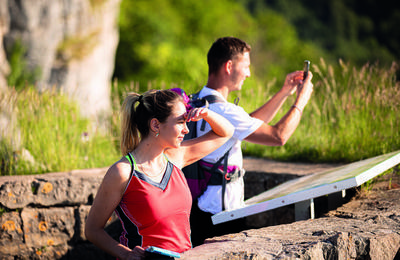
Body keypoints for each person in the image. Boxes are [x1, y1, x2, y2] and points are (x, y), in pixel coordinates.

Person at [190, 36, 314, 246]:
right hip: (221, 215)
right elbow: (278, 136)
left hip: (198, 207)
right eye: (246, 66)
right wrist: (301, 100)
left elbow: (247, 124)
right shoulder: (225, 111)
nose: (248, 73)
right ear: (229, 66)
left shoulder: (197, 100)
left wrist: (284, 91)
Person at [85, 89, 234, 260]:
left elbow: (226, 132)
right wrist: (125, 254)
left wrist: (207, 114)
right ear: (155, 125)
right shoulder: (123, 172)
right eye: (180, 122)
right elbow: (92, 230)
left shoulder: (176, 158)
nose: (186, 130)